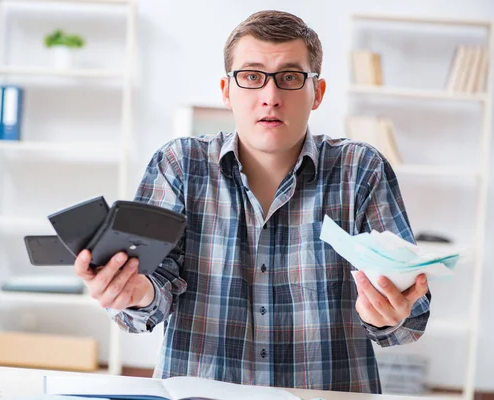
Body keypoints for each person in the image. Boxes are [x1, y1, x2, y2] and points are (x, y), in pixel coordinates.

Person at [74, 10, 430, 393]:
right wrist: (136, 292)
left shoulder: (360, 169)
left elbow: (412, 318)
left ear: (317, 93)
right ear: (227, 90)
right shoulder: (179, 164)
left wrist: (388, 316)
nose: (270, 97)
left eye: (291, 78)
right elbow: (150, 291)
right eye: (251, 76)